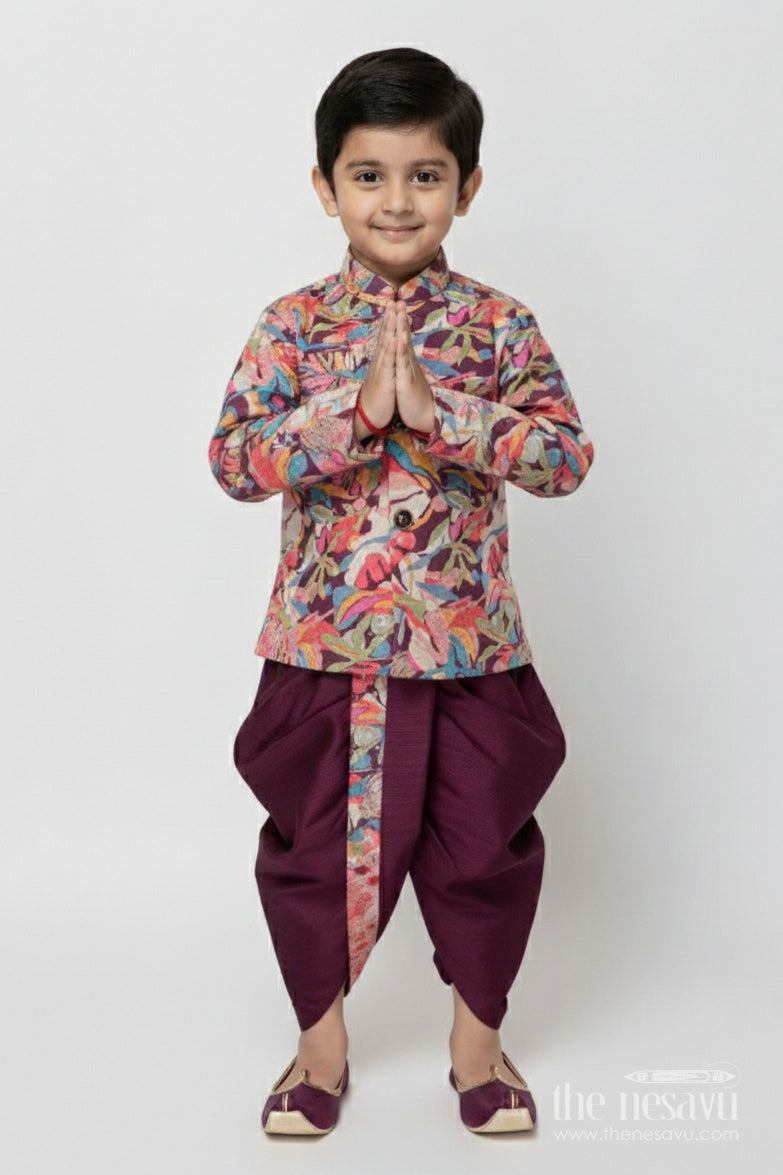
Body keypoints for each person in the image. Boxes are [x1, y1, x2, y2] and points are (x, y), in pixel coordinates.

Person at [208, 46, 595, 1136]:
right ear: (324, 184)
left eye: (425, 174)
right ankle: (318, 1049)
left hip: (470, 648)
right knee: (310, 855)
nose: (395, 199)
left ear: (465, 187)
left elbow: (565, 459)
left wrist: (444, 415)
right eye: (368, 174)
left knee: (485, 852)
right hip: (324, 646)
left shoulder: (501, 325)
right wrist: (353, 417)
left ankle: (479, 1046)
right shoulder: (290, 326)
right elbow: (233, 461)